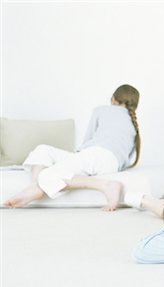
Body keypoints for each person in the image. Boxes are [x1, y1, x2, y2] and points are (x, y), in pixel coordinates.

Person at [3, 84, 141, 211]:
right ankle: (36, 186)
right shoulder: (134, 126)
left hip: (95, 155)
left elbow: (88, 138)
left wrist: (77, 157)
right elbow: (126, 159)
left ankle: (105, 185)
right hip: (105, 161)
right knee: (43, 149)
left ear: (113, 99)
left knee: (48, 173)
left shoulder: (102, 110)